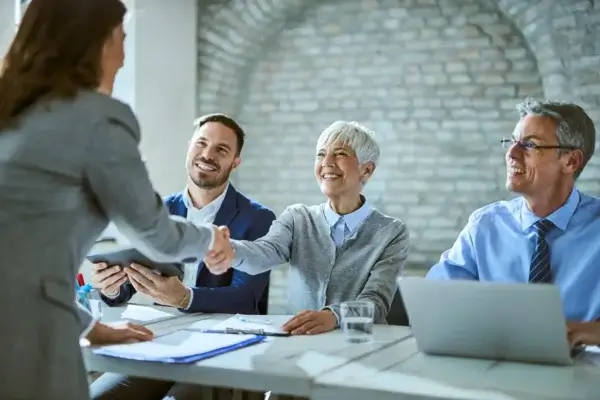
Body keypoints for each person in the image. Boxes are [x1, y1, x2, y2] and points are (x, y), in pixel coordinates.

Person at [0, 0, 228, 398]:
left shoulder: (12, 114)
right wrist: (210, 241)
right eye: (122, 36)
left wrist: (91, 328)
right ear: (100, 42)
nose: (123, 54)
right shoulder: (99, 119)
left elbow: (20, 258)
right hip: (26, 337)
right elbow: (154, 234)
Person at [90, 114, 275, 400]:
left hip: (224, 351)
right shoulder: (159, 210)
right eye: (201, 143)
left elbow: (246, 298)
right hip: (160, 343)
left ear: (235, 162)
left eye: (221, 150)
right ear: (189, 147)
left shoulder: (258, 218)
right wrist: (112, 288)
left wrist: (185, 297)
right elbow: (133, 280)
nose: (207, 154)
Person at [205, 120, 410, 335]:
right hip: (301, 342)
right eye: (321, 154)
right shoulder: (298, 217)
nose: (327, 162)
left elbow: (376, 302)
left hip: (358, 344)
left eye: (340, 154)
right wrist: (230, 249)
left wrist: (334, 316)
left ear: (366, 170)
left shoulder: (391, 232)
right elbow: (265, 252)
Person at [426, 98, 600, 322]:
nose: (511, 153)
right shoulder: (485, 225)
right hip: (496, 353)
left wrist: (584, 333)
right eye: (512, 141)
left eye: (530, 145)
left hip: (582, 356)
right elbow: (437, 299)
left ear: (571, 161)